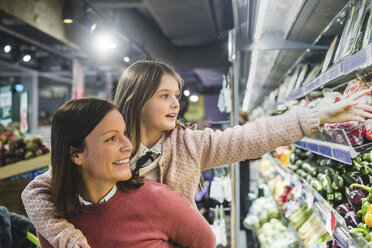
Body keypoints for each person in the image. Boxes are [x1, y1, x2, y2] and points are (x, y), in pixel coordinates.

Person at [22, 60, 372, 248]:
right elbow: (36, 191)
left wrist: (315, 118)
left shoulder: (189, 144)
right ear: (137, 97)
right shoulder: (106, 145)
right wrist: (65, 235)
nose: (176, 103)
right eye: (163, 95)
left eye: (178, 94)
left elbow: (251, 137)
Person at [34, 98, 215, 248]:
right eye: (111, 138)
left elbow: (205, 241)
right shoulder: (53, 221)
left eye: (124, 134)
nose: (128, 146)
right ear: (76, 154)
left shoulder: (158, 200)